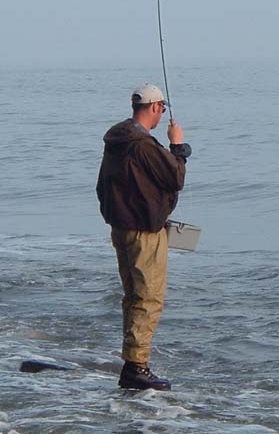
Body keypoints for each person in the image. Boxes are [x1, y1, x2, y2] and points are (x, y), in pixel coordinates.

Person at [96, 83, 191, 390]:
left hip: (121, 228)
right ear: (153, 107)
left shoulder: (117, 140)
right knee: (148, 297)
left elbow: (103, 186)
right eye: (162, 109)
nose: (163, 114)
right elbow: (175, 177)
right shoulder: (142, 145)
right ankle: (136, 367)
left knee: (133, 297)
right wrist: (178, 148)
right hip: (144, 232)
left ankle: (132, 363)